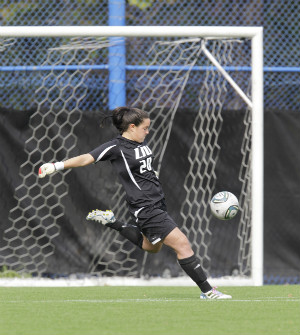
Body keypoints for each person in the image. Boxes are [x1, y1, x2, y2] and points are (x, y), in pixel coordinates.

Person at [39, 106, 231, 299]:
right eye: (145, 128)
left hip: (156, 203)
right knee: (182, 244)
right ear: (132, 127)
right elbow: (86, 158)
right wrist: (57, 166)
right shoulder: (116, 147)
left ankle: (113, 222)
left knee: (152, 247)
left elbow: (141, 170)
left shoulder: (140, 145)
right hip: (146, 206)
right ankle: (208, 291)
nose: (147, 132)